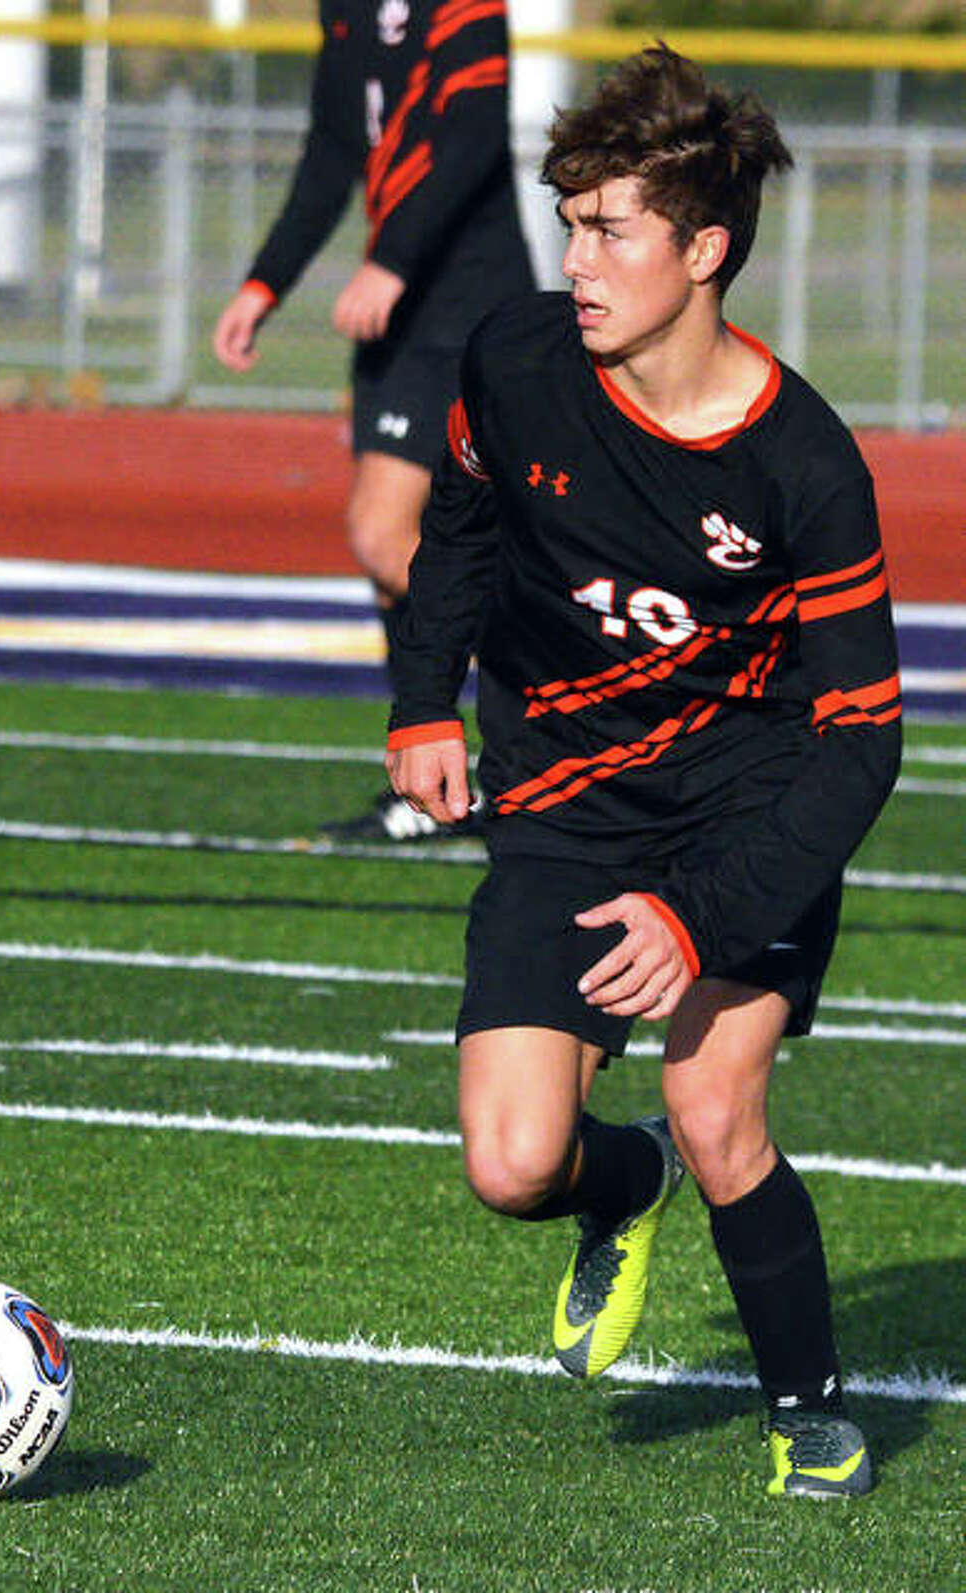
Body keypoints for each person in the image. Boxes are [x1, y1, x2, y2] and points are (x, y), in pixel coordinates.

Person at [385, 43, 902, 1497]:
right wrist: (421, 702)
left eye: (613, 228)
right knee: (512, 1165)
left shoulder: (806, 464)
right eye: (572, 220)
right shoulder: (516, 359)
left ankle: (810, 1408)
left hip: (749, 806)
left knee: (715, 1100)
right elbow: (461, 535)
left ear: (706, 250)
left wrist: (706, 918)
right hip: (563, 798)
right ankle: (626, 1190)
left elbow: (865, 736)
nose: (579, 255)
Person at [212, 0, 534, 839]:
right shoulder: (347, 11)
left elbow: (471, 138)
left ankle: (558, 710)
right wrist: (263, 283)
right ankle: (436, 785)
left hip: (468, 307)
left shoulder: (464, 8)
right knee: (392, 552)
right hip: (401, 323)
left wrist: (391, 262)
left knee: (387, 537)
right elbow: (331, 152)